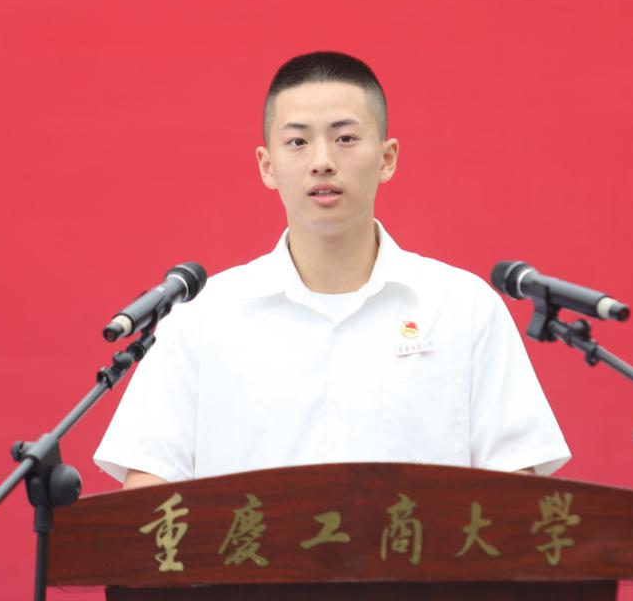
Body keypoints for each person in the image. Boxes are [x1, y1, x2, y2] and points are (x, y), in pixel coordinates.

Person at [93, 52, 570, 489]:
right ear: (267, 165)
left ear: (387, 158)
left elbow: (517, 488)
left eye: (345, 139)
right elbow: (149, 492)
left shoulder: (463, 307)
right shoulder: (203, 317)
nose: (322, 162)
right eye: (297, 142)